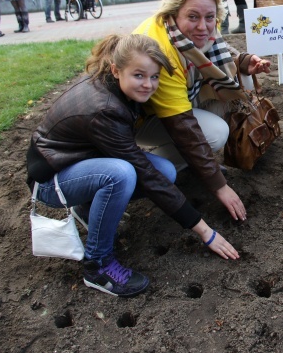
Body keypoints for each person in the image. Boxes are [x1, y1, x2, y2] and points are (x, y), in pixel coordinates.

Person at [27, 33, 240, 298]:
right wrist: (205, 231)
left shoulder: (114, 86)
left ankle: (87, 208)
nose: (148, 85)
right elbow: (142, 172)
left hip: (80, 162)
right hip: (50, 180)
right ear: (116, 70)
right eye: (139, 76)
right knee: (122, 175)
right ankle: (98, 265)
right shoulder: (105, 109)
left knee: (166, 171)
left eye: (154, 77)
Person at [133, 0, 271, 221]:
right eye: (193, 17)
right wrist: (219, 186)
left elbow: (219, 55)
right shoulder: (161, 52)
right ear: (173, 13)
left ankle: (191, 162)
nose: (203, 26)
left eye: (209, 17)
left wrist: (245, 62)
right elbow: (183, 126)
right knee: (215, 133)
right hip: (139, 120)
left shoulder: (187, 33)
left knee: (239, 79)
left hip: (171, 105)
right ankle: (145, 173)